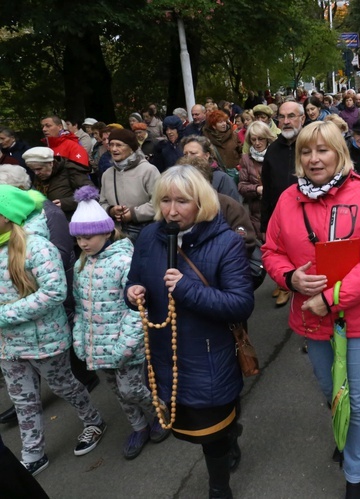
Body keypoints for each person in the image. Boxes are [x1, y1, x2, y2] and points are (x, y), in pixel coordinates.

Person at [262, 121, 360, 499]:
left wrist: (332, 297)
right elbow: (270, 251)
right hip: (310, 318)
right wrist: (289, 278)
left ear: (339, 152)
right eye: (306, 151)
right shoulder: (288, 199)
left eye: (322, 150)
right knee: (330, 390)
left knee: (357, 397)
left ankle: (356, 473)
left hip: (357, 317)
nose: (313, 158)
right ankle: (343, 431)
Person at [125, 166, 253, 499]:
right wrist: (133, 292)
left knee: (213, 436)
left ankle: (219, 487)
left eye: (182, 201)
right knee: (193, 427)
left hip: (209, 355)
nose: (170, 210)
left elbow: (240, 304)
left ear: (201, 202)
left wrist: (187, 290)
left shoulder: (226, 242)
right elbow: (134, 278)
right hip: (165, 354)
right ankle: (230, 436)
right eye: (165, 200)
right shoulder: (150, 236)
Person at [0, 185, 106, 476]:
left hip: (44, 340)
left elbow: (54, 292)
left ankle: (93, 420)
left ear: (7, 216)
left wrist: (4, 314)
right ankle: (33, 453)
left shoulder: (36, 245)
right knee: (22, 400)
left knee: (64, 386)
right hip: (8, 346)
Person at [69, 186, 170, 460]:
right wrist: (80, 339)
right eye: (78, 239)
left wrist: (126, 344)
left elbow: (138, 307)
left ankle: (160, 412)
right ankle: (138, 426)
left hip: (124, 345)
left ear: (107, 231)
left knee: (131, 388)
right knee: (117, 391)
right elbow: (80, 306)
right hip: (96, 347)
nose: (83, 244)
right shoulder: (82, 266)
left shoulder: (125, 261)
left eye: (88, 237)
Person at [261, 101, 306, 307]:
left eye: (291, 116)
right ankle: (284, 285)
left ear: (302, 119)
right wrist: (265, 225)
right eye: (282, 117)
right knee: (281, 256)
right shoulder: (272, 150)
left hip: (308, 217)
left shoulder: (310, 145)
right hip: (280, 216)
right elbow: (267, 189)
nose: (286, 122)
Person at [99, 129, 160, 242]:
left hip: (145, 231)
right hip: (116, 232)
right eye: (111, 144)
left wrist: (133, 213)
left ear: (131, 149)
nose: (114, 149)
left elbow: (159, 202)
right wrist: (111, 210)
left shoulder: (148, 170)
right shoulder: (107, 174)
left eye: (119, 145)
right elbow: (102, 203)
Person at [24, 146, 94, 220]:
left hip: (73, 219)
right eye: (33, 170)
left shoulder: (70, 170)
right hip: (49, 220)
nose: (36, 173)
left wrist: (65, 203)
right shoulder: (39, 175)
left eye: (39, 169)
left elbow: (91, 193)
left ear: (51, 163)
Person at [239, 121, 276, 237]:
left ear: (267, 139)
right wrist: (257, 189)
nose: (257, 143)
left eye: (261, 139)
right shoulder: (246, 159)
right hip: (257, 213)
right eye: (253, 139)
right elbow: (241, 186)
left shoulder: (276, 155)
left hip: (277, 208)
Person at [181, 136, 242, 203]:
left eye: (193, 153)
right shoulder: (181, 178)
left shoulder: (221, 179)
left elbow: (232, 208)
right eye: (185, 154)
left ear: (207, 155)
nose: (188, 157)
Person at [203, 110, 241, 179]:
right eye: (220, 122)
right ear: (214, 126)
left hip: (235, 173)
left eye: (224, 121)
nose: (224, 124)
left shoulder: (234, 135)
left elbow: (241, 151)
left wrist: (240, 165)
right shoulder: (207, 140)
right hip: (218, 175)